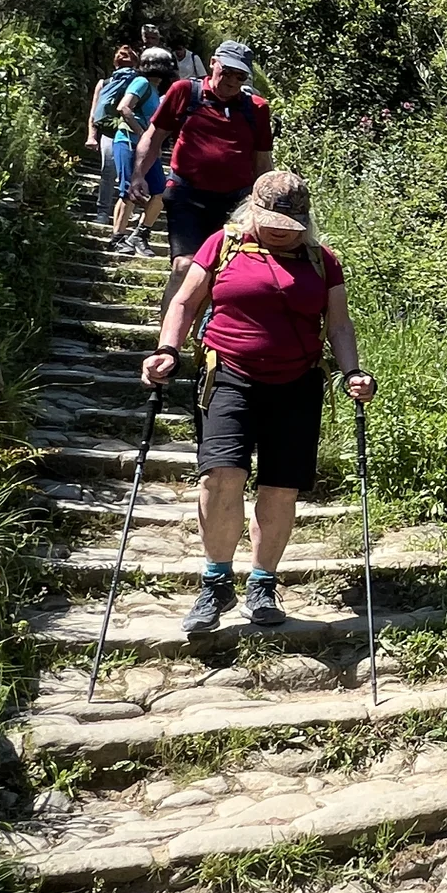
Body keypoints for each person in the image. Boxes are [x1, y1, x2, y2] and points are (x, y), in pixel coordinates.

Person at [141, 171, 377, 631]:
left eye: (291, 226)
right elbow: (185, 302)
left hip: (297, 383)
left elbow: (339, 324)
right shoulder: (223, 244)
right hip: (228, 377)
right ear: (252, 210)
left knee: (280, 487)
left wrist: (353, 372)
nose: (281, 232)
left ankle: (263, 584)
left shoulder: (322, 261)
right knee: (220, 477)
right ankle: (215, 583)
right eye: (271, 223)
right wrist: (167, 349)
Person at [128, 40, 275, 313]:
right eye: (227, 71)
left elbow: (263, 161)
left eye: (240, 76)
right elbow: (154, 136)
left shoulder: (256, 108)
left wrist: (265, 206)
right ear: (212, 63)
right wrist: (138, 175)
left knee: (221, 274)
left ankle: (199, 335)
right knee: (184, 266)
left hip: (236, 203)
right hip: (187, 195)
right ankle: (167, 338)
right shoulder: (185, 92)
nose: (231, 80)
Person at [108, 47, 176, 255]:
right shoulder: (141, 82)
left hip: (145, 147)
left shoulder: (155, 91)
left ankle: (140, 234)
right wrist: (142, 133)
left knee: (161, 191)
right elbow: (124, 107)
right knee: (128, 190)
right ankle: (118, 238)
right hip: (127, 140)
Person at [85, 45, 140, 224]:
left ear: (115, 64)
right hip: (131, 132)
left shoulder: (104, 83)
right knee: (130, 172)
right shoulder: (139, 82)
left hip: (108, 132)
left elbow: (94, 113)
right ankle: (127, 211)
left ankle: (103, 213)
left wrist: (92, 136)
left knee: (108, 172)